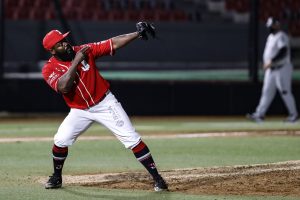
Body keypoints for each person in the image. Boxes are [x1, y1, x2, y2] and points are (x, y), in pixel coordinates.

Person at [41, 22, 168, 192]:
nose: (65, 43)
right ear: (53, 51)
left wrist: (137, 34)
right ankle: (57, 177)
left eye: (64, 39)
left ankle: (158, 179)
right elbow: (64, 87)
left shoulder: (84, 50)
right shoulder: (49, 68)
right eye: (60, 43)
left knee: (131, 138)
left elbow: (111, 43)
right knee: (60, 140)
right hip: (79, 111)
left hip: (104, 103)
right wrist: (76, 62)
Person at [247, 17, 298, 123]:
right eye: (269, 25)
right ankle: (259, 114)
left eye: (272, 25)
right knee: (266, 92)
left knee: (285, 92)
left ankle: (294, 115)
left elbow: (283, 51)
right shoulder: (271, 37)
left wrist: (271, 61)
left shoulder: (281, 36)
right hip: (271, 70)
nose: (270, 27)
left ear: (277, 25)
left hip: (282, 68)